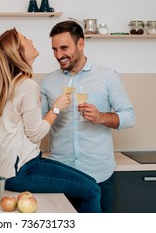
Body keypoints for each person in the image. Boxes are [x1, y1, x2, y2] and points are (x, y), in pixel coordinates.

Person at [0, 28, 102, 213]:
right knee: (92, 191)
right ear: (18, 52)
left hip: (16, 168)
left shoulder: (10, 85)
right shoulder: (26, 85)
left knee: (90, 183)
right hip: (22, 171)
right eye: (25, 39)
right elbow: (35, 134)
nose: (30, 39)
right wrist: (56, 108)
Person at [40, 20, 136, 212]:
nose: (59, 55)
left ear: (81, 44)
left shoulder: (108, 76)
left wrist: (101, 117)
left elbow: (129, 116)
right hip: (62, 176)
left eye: (64, 48)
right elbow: (39, 126)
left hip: (98, 175)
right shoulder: (48, 82)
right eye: (54, 49)